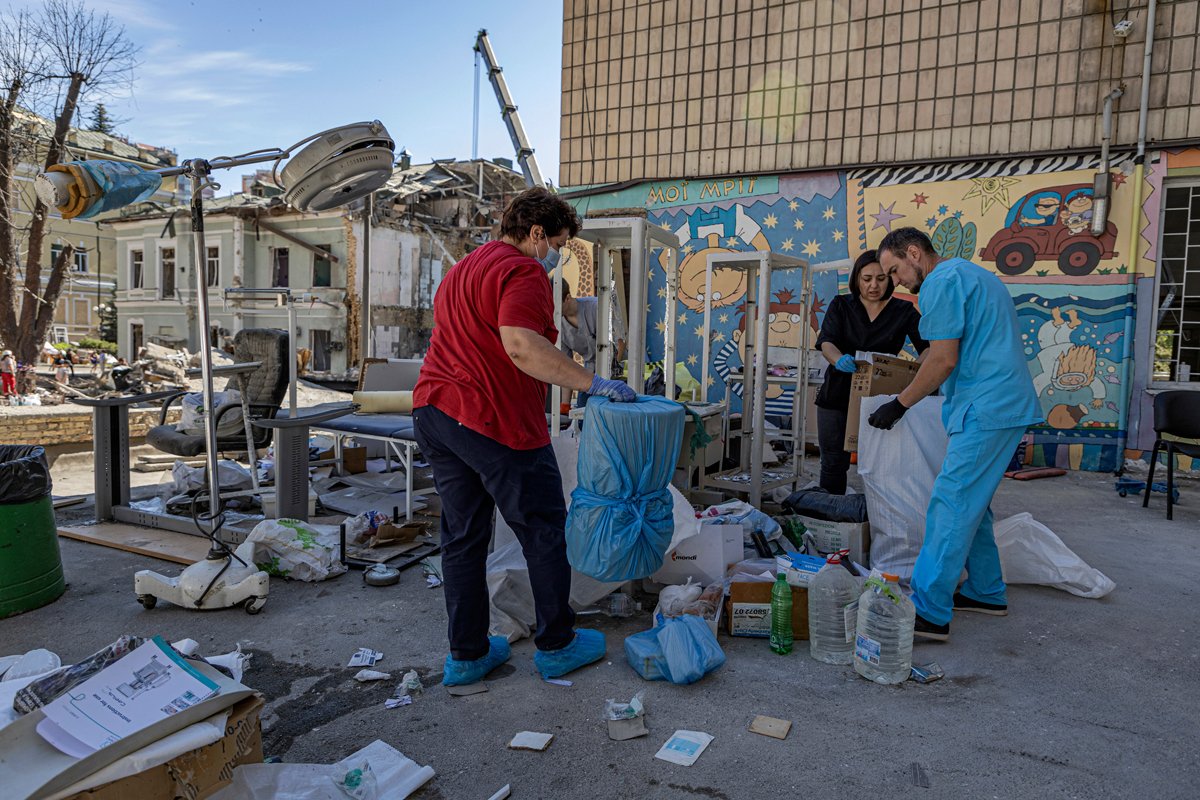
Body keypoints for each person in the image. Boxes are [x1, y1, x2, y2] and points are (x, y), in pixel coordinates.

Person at [412, 187, 637, 687]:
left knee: (464, 538)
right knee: (542, 528)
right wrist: (592, 382)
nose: (554, 254)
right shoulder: (523, 269)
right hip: (493, 419)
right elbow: (520, 344)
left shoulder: (464, 268)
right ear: (537, 233)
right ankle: (558, 644)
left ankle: (467, 655)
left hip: (436, 411)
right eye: (555, 243)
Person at [869, 227, 1042, 642]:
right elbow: (952, 350)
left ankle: (930, 611)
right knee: (973, 505)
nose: (896, 282)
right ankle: (985, 591)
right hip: (999, 403)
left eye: (894, 271)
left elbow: (943, 360)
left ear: (914, 253)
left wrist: (900, 403)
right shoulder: (971, 274)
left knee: (951, 502)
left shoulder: (939, 284)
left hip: (986, 407)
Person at [813, 249, 928, 494]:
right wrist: (838, 360)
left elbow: (929, 348)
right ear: (856, 279)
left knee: (882, 464)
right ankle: (833, 520)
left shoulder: (904, 310)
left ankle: (880, 522)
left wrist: (911, 374)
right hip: (837, 393)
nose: (873, 285)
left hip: (881, 399)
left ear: (891, 278)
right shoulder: (841, 304)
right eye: (866, 279)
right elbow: (827, 342)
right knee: (833, 463)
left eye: (881, 278)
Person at [559, 281, 627, 407]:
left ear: (567, 298)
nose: (553, 310)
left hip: (618, 369)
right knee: (583, 414)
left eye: (555, 305)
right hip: (591, 372)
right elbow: (565, 365)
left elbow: (620, 342)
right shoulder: (559, 325)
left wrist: (612, 375)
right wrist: (565, 405)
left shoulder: (596, 308)